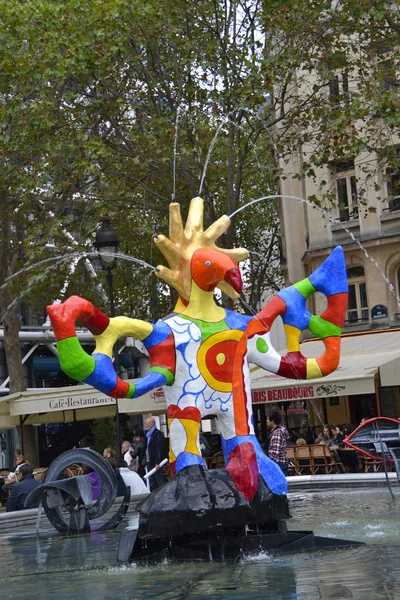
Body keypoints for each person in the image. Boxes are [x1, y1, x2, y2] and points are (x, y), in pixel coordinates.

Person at [145, 416, 167, 491]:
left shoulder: (158, 434)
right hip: (148, 460)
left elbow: (159, 448)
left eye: (147, 423)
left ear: (152, 424)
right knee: (151, 481)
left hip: (155, 461)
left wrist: (158, 462)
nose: (146, 425)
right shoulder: (147, 434)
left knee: (159, 480)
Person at [266, 411, 289, 475]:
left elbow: (275, 451)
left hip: (278, 464)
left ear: (272, 421)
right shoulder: (278, 432)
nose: (266, 421)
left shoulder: (277, 433)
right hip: (280, 464)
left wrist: (269, 463)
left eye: (267, 419)